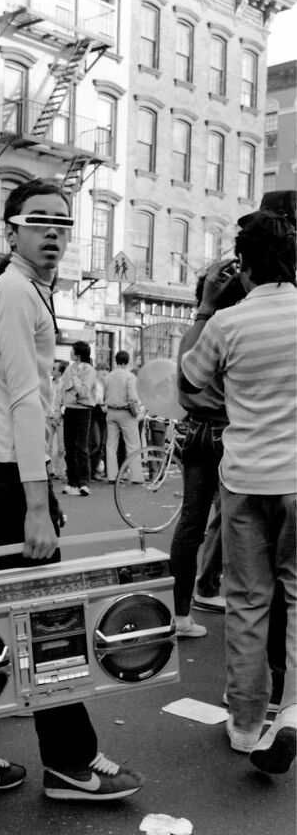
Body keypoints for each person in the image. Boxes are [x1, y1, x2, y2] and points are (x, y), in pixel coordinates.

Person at [0, 178, 143, 801]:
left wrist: (40, 493)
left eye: (63, 222)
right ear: (12, 230)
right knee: (48, 620)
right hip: (4, 477)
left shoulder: (25, 291)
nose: (54, 231)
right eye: (39, 220)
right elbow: (25, 402)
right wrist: (36, 505)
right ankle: (70, 763)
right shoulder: (15, 293)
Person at [180, 209, 296, 774]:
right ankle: (293, 709)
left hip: (247, 477)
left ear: (243, 266)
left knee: (248, 601)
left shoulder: (229, 323)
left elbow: (187, 386)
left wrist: (206, 307)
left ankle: (247, 724)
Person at [169, 271, 246, 638]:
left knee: (191, 524)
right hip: (227, 430)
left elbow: (184, 385)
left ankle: (180, 613)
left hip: (195, 431)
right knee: (241, 524)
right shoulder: (230, 329)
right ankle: (242, 614)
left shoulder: (195, 332)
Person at [60, 341, 96, 496]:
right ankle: (72, 482)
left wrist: (74, 377)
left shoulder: (89, 370)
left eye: (72, 350)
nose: (70, 352)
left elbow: (84, 392)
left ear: (79, 353)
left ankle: (84, 482)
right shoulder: (69, 368)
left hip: (83, 410)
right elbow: (62, 389)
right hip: (69, 409)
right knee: (69, 447)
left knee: (81, 447)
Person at [103, 351, 142, 485]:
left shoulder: (108, 377)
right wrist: (135, 413)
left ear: (116, 361)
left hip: (111, 411)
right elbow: (133, 399)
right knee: (133, 445)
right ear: (127, 361)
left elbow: (104, 395)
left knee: (111, 446)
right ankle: (136, 477)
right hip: (125, 412)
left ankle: (112, 476)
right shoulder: (130, 377)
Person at [46, 360, 66, 479]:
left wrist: (61, 414)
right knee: (47, 445)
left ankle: (60, 471)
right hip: (49, 416)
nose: (52, 370)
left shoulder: (64, 384)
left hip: (60, 418)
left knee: (61, 447)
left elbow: (66, 401)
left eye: (54, 368)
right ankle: (50, 470)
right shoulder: (49, 382)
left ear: (60, 372)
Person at [89, 363, 108, 481]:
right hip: (95, 412)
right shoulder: (93, 383)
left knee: (102, 444)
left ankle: (94, 470)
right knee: (95, 442)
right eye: (102, 370)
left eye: (106, 370)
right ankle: (89, 470)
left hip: (104, 414)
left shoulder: (106, 384)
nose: (105, 373)